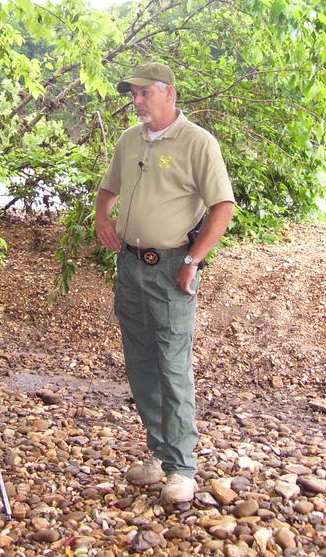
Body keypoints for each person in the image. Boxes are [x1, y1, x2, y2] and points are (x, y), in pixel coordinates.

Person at [94, 62, 236, 506]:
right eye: (132, 95)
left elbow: (222, 208)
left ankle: (182, 468)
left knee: (172, 365)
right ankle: (158, 453)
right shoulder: (130, 138)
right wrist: (103, 219)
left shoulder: (197, 142)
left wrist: (194, 260)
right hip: (130, 266)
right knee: (140, 362)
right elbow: (107, 189)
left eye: (143, 94)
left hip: (173, 266)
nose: (136, 102)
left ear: (168, 92)